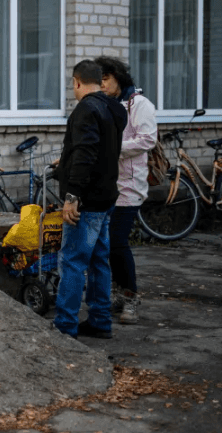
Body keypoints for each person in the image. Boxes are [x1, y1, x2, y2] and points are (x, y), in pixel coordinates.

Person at [52, 59, 127, 339]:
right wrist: (66, 162)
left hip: (86, 202)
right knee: (99, 262)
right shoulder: (114, 108)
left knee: (72, 262)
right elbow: (99, 150)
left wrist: (72, 197)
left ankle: (65, 326)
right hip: (107, 197)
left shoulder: (86, 109)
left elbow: (86, 153)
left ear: (77, 82)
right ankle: (99, 321)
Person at [95, 55, 157, 325]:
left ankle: (130, 297)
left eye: (105, 79)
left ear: (118, 77)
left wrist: (113, 148)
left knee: (118, 242)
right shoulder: (107, 105)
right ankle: (119, 293)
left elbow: (147, 139)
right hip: (107, 185)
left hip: (130, 185)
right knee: (108, 245)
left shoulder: (139, 104)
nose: (102, 85)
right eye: (99, 81)